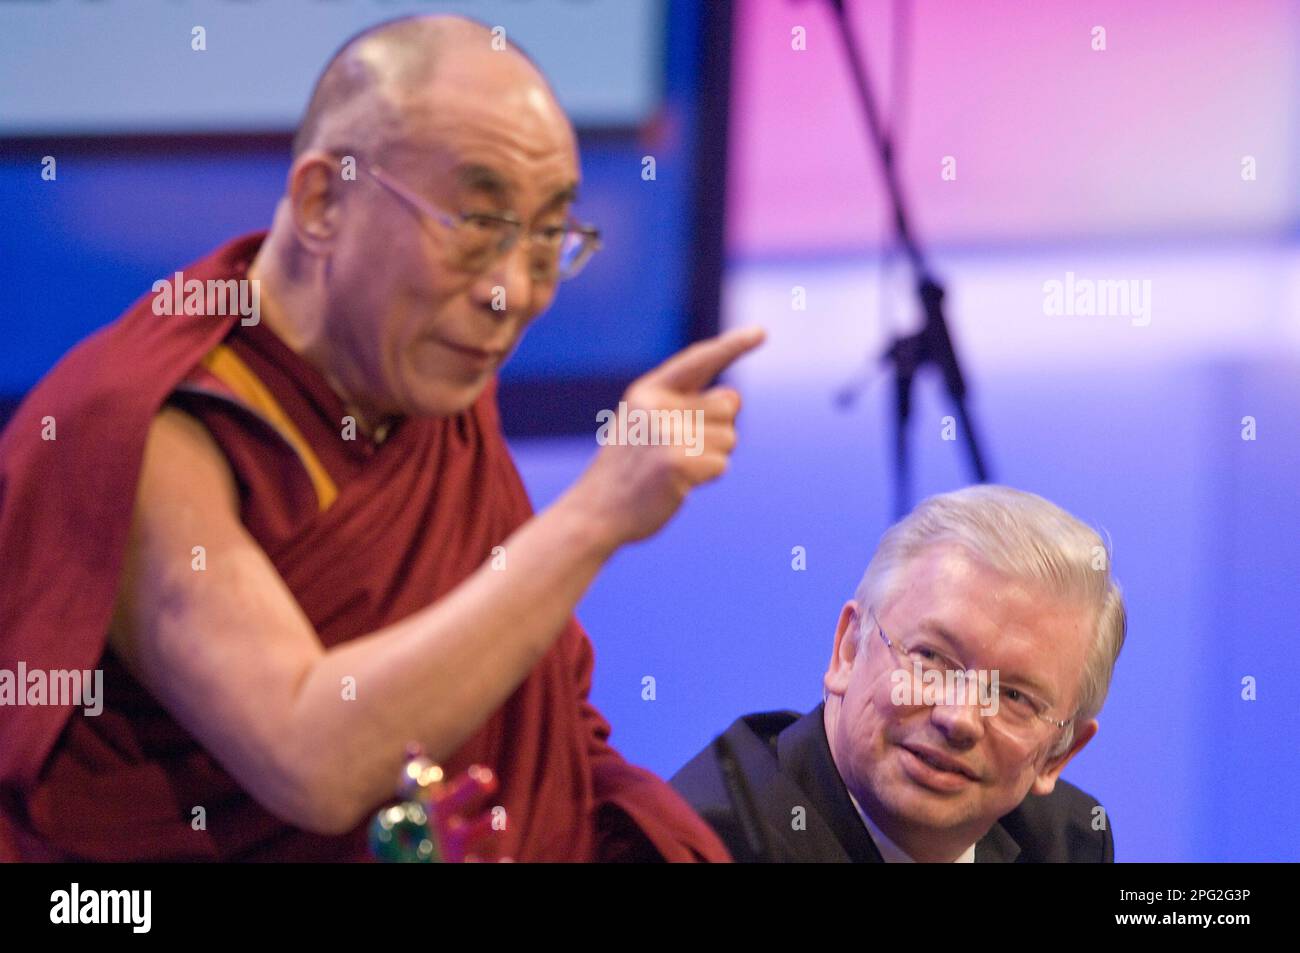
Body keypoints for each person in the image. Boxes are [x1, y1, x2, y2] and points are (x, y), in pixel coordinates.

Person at [0, 14, 764, 861]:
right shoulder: (145, 426)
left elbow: (529, 715)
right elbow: (312, 760)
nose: (513, 293)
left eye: (549, 237)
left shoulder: (420, 377)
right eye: (476, 226)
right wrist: (596, 515)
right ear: (324, 200)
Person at [672, 485, 1125, 862]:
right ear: (848, 651)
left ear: (1057, 755)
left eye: (1014, 696)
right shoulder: (701, 845)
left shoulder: (1070, 843)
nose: (959, 718)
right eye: (931, 658)